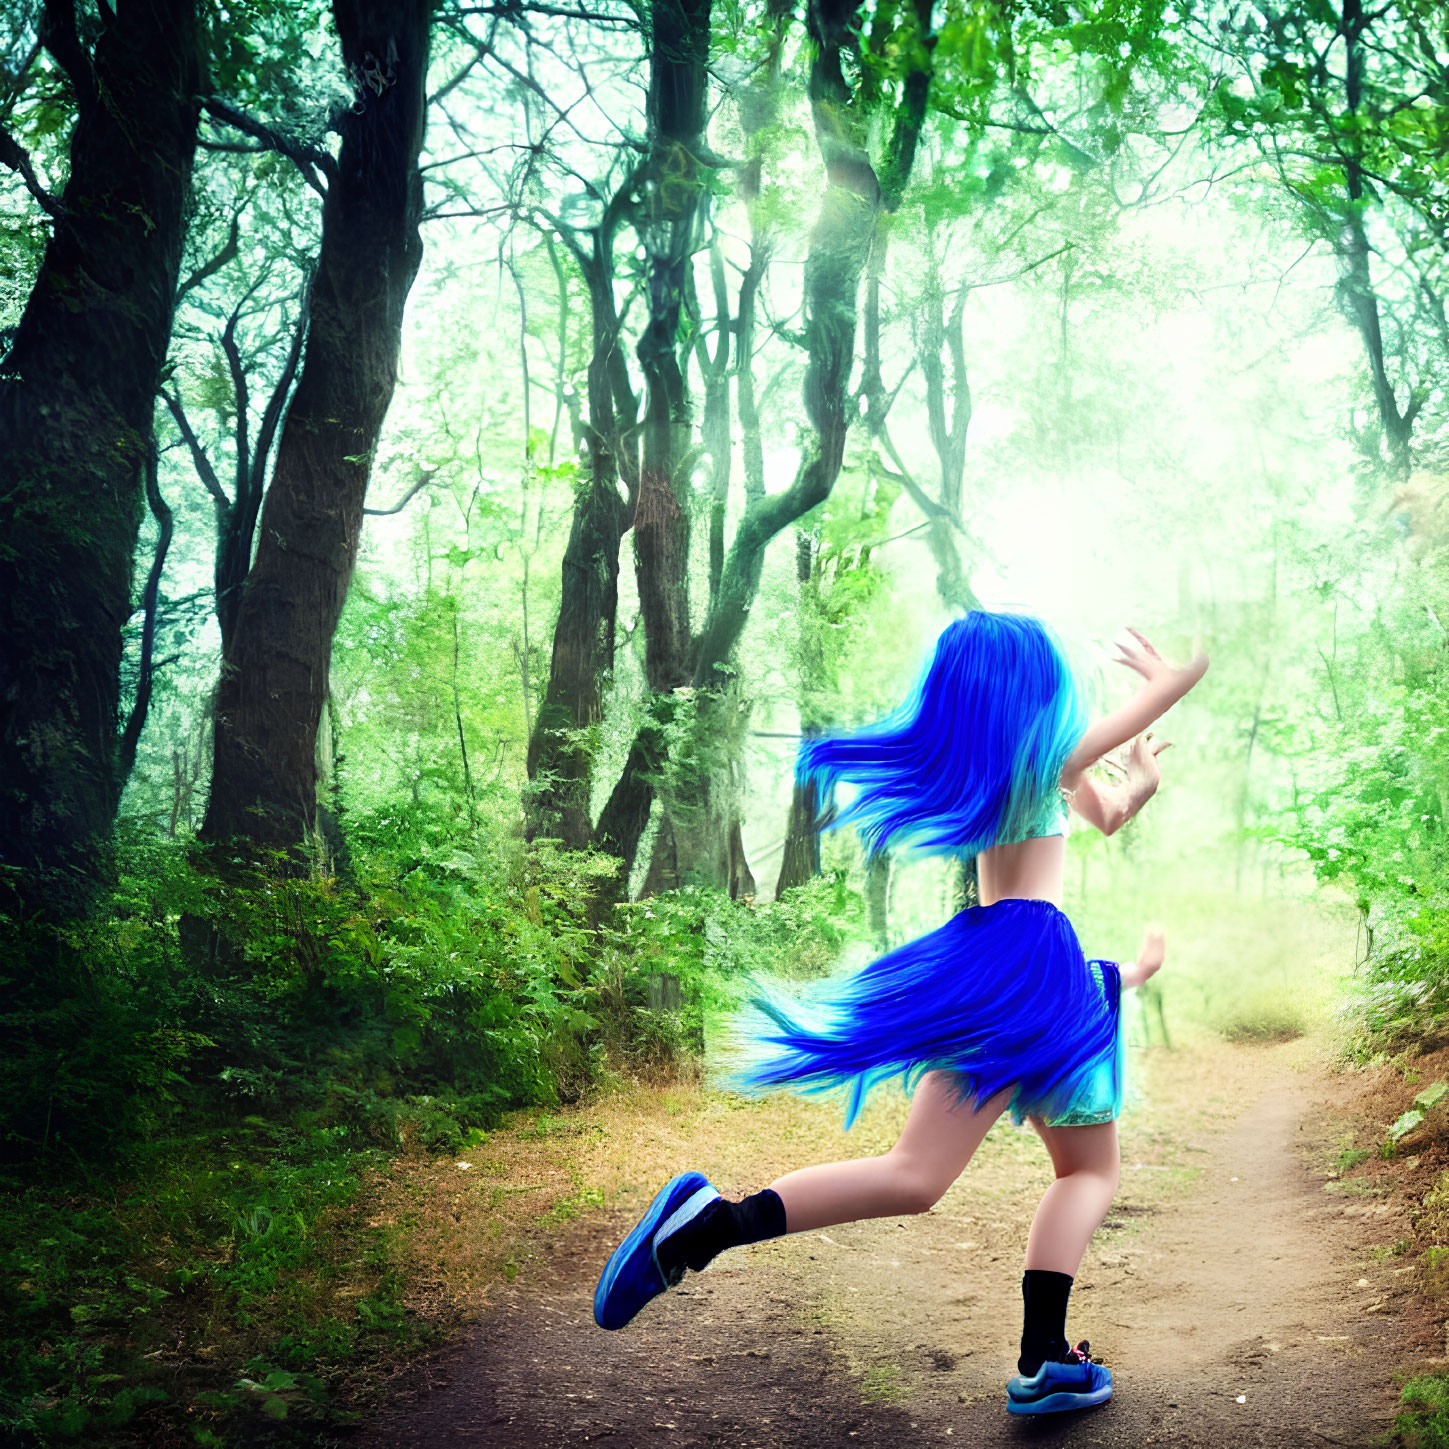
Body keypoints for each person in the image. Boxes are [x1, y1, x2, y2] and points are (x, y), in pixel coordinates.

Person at [592, 610, 1207, 1416]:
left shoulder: (1014, 769)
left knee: (915, 1175)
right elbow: (1169, 686)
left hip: (990, 967)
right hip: (1028, 968)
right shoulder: (1039, 757)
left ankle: (708, 1227)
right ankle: (1043, 1357)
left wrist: (1141, 784)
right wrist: (1180, 668)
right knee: (1087, 1170)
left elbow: (1107, 813)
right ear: (1034, 690)